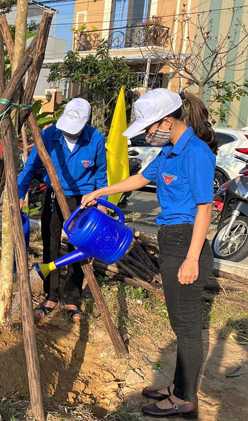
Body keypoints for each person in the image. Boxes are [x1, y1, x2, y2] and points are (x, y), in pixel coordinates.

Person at [81, 89, 216, 419]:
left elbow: (205, 208)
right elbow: (141, 178)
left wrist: (192, 259)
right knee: (178, 323)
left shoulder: (195, 152)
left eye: (148, 128)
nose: (146, 134)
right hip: (172, 240)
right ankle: (176, 386)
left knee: (186, 329)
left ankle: (184, 398)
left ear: (167, 121)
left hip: (187, 242)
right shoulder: (170, 152)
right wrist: (101, 192)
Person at [17, 98, 107, 322]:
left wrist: (102, 202)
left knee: (79, 248)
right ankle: (51, 295)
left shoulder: (95, 138)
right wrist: (20, 193)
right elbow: (30, 167)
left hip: (83, 200)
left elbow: (101, 175)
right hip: (53, 196)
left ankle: (72, 298)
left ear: (86, 122)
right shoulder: (49, 135)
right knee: (51, 245)